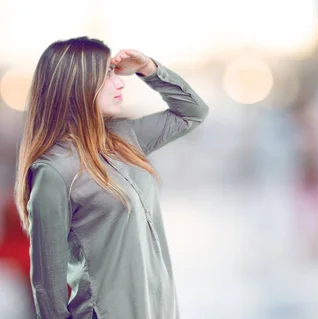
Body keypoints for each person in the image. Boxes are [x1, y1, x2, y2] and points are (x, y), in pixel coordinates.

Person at [13, 36, 209, 318]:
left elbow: (193, 112)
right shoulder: (54, 172)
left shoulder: (125, 137)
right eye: (107, 74)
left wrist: (148, 68)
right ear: (77, 83)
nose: (120, 83)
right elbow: (48, 287)